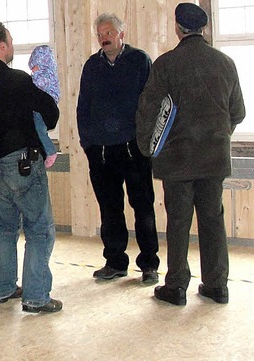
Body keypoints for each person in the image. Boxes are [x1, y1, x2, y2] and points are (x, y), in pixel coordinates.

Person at [136, 3, 245, 306]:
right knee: (213, 221)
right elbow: (238, 112)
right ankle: (216, 285)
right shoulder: (226, 63)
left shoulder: (166, 64)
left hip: (177, 161)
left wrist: (147, 148)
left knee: (179, 223)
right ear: (203, 28)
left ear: (178, 27)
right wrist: (218, 137)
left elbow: (149, 111)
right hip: (214, 158)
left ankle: (176, 287)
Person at [0, 21, 62, 314]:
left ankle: (3, 288)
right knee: (39, 230)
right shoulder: (18, 80)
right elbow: (49, 115)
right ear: (1, 47)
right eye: (10, 42)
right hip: (24, 163)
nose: (12, 47)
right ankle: (36, 296)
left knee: (5, 229)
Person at [76, 13, 160, 284]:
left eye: (109, 32)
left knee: (143, 207)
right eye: (100, 33)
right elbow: (83, 108)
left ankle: (149, 264)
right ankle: (115, 262)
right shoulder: (91, 66)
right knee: (109, 209)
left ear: (121, 34)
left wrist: (144, 142)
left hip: (133, 150)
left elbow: (151, 105)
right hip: (100, 153)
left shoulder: (139, 60)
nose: (104, 37)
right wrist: (88, 144)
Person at [28, 45, 61, 168]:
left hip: (45, 105)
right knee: (38, 128)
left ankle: (50, 151)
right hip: (46, 104)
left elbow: (39, 85)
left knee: (39, 129)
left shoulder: (43, 74)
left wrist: (34, 75)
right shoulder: (50, 72)